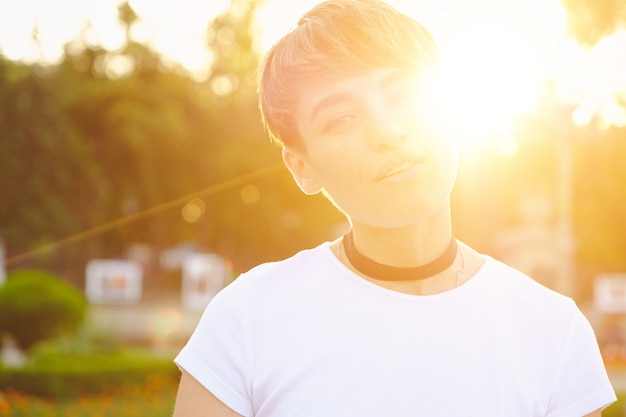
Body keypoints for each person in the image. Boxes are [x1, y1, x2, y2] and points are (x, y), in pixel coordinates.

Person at [172, 1, 616, 416]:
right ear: (302, 167)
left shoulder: (554, 332)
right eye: (341, 118)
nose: (388, 130)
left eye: (404, 94)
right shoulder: (246, 321)